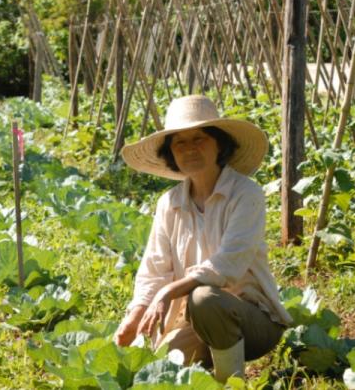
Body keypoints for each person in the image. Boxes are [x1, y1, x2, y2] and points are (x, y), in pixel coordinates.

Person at [113, 95, 292, 383]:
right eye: (180, 142)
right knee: (156, 372)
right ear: (171, 153)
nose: (190, 148)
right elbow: (154, 268)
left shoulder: (246, 194)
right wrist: (134, 316)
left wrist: (168, 292)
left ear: (219, 143)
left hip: (252, 321)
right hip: (192, 320)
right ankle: (211, 364)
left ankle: (232, 382)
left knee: (203, 297)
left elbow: (227, 265)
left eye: (199, 138)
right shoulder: (169, 203)